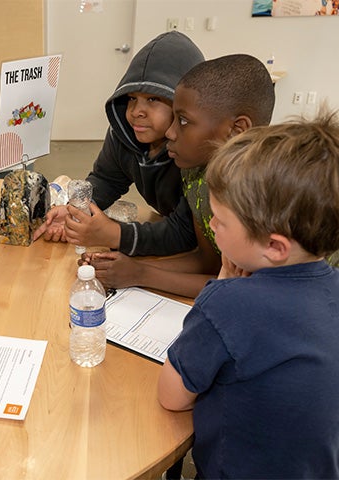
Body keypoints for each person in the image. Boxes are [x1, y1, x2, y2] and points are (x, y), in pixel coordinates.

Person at [158, 109, 339, 479]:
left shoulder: (228, 304)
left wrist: (222, 284)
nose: (210, 224)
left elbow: (171, 397)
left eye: (221, 221)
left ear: (274, 247)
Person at [85, 54, 276, 298]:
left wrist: (141, 274)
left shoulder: (267, 196)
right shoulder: (197, 174)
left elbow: (243, 289)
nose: (171, 132)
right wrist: (125, 267)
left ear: (237, 130)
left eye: (183, 120)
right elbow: (209, 262)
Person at [33, 31, 204, 257]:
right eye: (132, 98)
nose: (136, 112)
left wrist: (115, 234)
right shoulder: (125, 134)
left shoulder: (196, 152)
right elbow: (107, 179)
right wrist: (77, 211)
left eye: (153, 99)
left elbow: (185, 232)